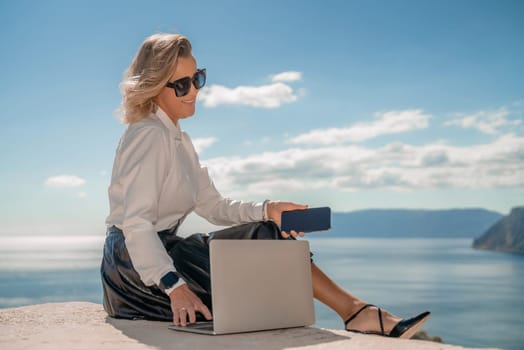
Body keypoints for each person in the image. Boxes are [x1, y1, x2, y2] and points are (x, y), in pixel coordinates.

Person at [100, 33, 430, 338]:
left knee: (270, 233)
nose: (195, 91)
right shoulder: (147, 135)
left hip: (166, 252)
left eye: (198, 78)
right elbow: (136, 223)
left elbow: (212, 206)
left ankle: (357, 312)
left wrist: (267, 210)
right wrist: (174, 286)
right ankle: (359, 314)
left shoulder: (179, 141)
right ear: (155, 86)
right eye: (182, 85)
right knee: (251, 285)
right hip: (135, 268)